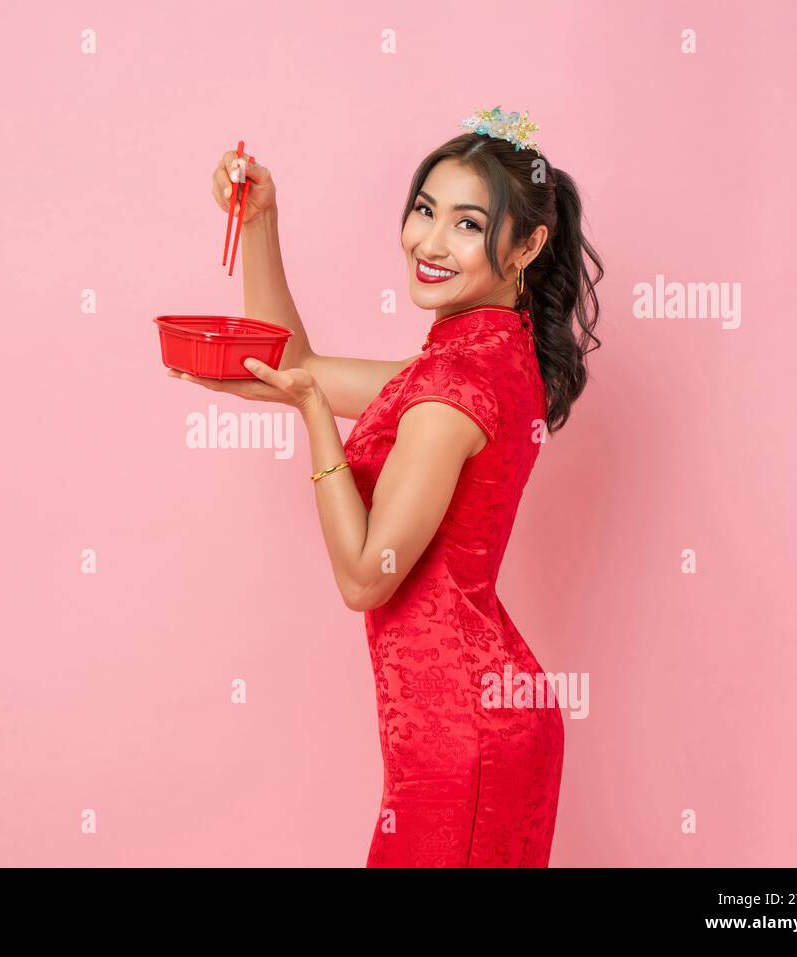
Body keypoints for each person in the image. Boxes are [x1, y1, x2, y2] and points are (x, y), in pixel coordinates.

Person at [169, 107, 603, 866]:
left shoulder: (450, 388)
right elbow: (294, 360)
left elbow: (368, 575)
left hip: (461, 733)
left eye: (468, 225)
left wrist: (313, 416)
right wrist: (263, 223)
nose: (430, 243)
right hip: (471, 724)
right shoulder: (477, 359)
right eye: (425, 210)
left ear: (529, 244)